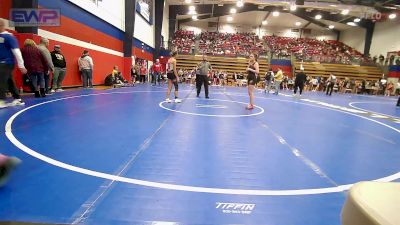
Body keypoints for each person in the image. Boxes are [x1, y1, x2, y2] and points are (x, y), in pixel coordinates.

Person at [0, 19, 26, 108]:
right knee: (9, 80)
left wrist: (21, 65)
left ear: (2, 26)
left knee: (1, 80)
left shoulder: (9, 37)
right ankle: (18, 99)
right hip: (1, 63)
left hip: (7, 62)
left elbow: (16, 51)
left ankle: (1, 100)